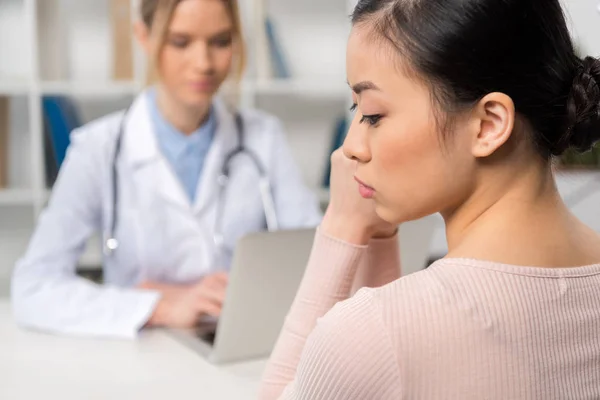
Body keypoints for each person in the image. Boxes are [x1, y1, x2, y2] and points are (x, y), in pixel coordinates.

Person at [259, 0, 600, 398]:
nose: (350, 147)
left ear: (489, 125)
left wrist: (342, 224)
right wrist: (380, 236)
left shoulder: (368, 334)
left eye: (371, 114)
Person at [11, 0, 321, 339]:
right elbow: (33, 288)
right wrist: (159, 305)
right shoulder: (98, 148)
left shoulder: (264, 137)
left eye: (220, 41)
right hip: (142, 353)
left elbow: (315, 264)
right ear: (143, 36)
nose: (203, 63)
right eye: (180, 42)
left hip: (238, 342)